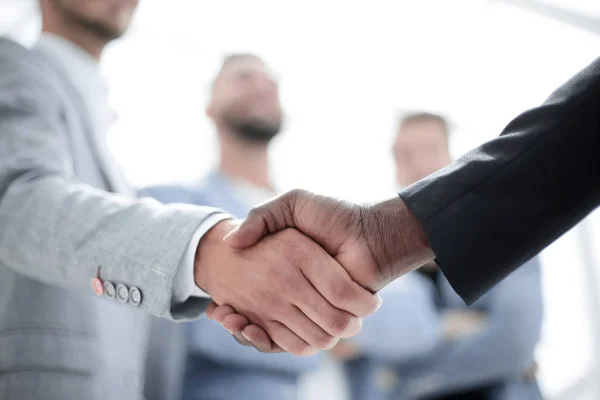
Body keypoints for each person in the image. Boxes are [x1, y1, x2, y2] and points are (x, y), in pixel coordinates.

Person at [0, 1, 380, 397]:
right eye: (243, 79)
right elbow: (15, 204)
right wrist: (203, 253)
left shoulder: (98, 120)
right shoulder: (11, 65)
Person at [211, 55, 600, 355]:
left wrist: (393, 370)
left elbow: (505, 343)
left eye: (430, 150)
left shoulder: (507, 234)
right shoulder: (197, 202)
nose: (419, 165)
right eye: (243, 78)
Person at [140, 53, 322, 400]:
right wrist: (330, 325)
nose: (261, 89)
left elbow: (416, 322)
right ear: (210, 105)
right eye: (243, 78)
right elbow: (184, 324)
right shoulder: (168, 203)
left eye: (271, 85)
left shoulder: (313, 215)